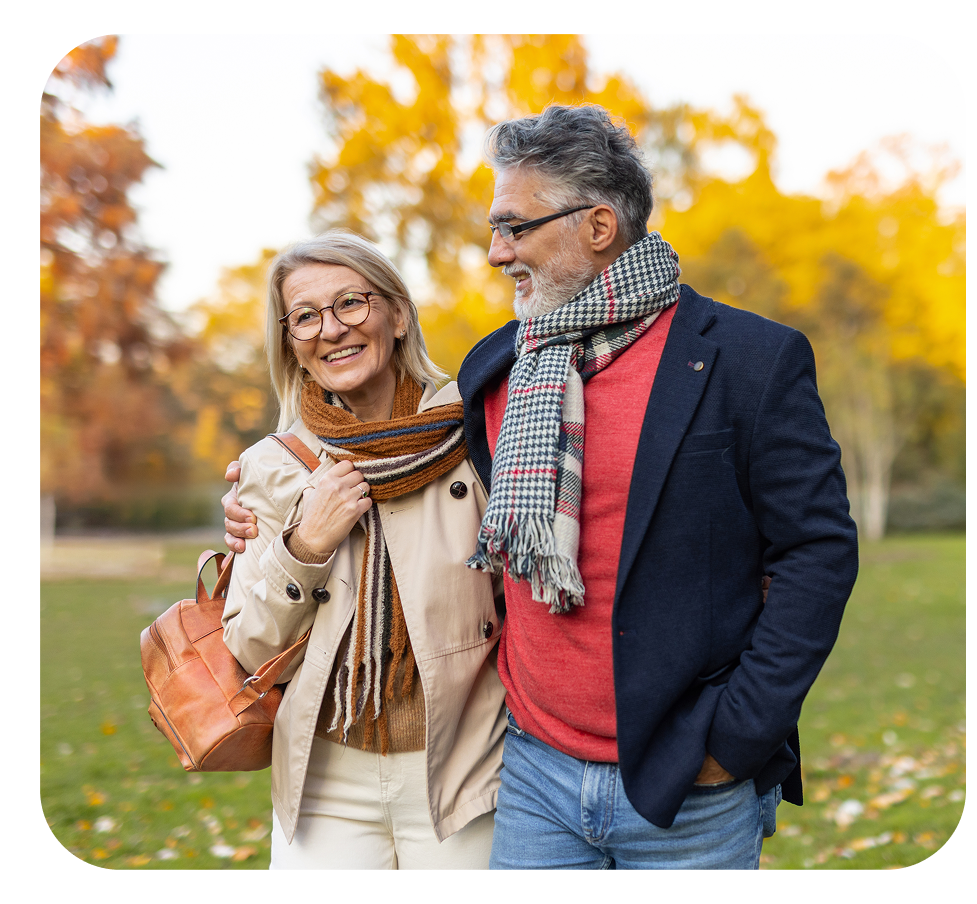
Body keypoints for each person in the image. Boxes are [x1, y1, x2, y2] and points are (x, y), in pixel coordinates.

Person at [225, 104, 858, 870]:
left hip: (688, 779)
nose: (495, 253)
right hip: (529, 773)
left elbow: (816, 554)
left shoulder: (750, 360)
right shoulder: (500, 369)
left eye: (514, 227)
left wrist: (736, 738)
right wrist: (275, 528)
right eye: (495, 231)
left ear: (597, 226)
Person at [219, 229, 505, 870]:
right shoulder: (273, 467)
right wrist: (303, 545)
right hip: (324, 778)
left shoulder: (479, 430)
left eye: (352, 302)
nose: (331, 329)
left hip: (465, 762)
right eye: (306, 317)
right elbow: (249, 646)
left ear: (397, 314)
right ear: (291, 345)